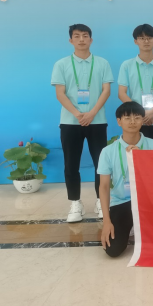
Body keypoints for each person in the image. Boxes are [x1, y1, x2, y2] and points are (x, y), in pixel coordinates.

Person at [51, 24, 114, 223]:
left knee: (100, 164)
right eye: (77, 36)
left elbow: (106, 91)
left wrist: (92, 113)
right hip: (70, 122)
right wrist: (78, 114)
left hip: (97, 121)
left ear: (91, 40)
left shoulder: (102, 63)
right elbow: (60, 93)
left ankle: (100, 201)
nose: (81, 39)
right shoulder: (61, 64)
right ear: (71, 40)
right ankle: (75, 203)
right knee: (71, 164)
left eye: (85, 36)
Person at [98, 102, 153, 258]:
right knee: (113, 250)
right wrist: (106, 221)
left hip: (149, 203)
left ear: (143, 120)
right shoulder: (108, 151)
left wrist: (142, 158)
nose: (133, 121)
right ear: (119, 121)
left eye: (137, 117)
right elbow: (104, 186)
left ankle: (139, 225)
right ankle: (130, 224)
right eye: (127, 118)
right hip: (122, 202)